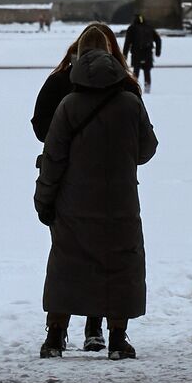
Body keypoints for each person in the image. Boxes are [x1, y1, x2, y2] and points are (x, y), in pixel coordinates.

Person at [34, 33, 158, 361]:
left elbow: (54, 159)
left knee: (67, 264)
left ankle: (56, 336)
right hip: (120, 201)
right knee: (121, 264)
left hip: (73, 203)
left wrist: (43, 200)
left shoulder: (68, 106)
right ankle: (117, 337)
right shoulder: (130, 102)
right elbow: (147, 150)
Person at [121, 14, 163, 92]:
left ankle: (134, 87)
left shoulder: (132, 28)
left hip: (136, 53)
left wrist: (124, 55)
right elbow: (158, 39)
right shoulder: (149, 28)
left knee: (136, 71)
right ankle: (147, 88)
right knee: (147, 71)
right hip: (147, 53)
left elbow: (127, 42)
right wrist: (158, 51)